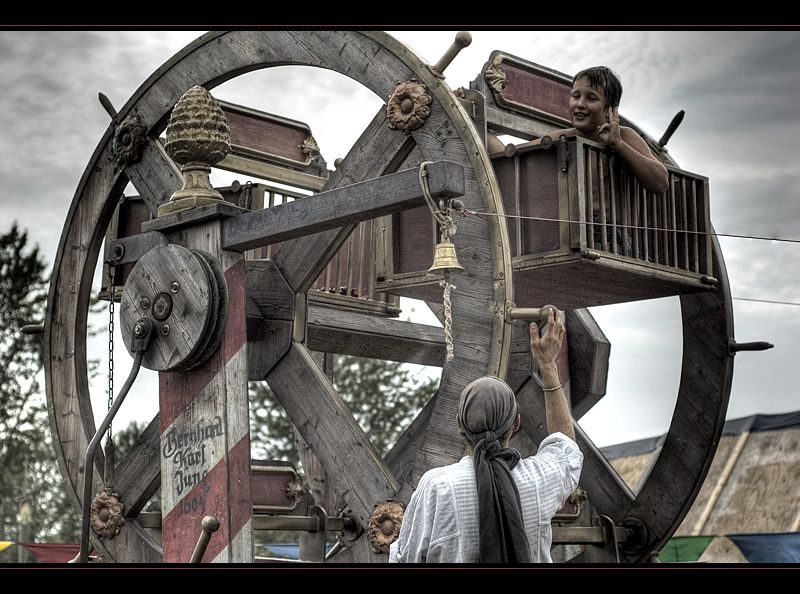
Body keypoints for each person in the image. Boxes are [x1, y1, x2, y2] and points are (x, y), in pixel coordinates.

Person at [389, 307, 583, 563]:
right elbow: (565, 444)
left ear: (460, 424)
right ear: (516, 424)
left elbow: (405, 559)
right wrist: (548, 366)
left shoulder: (436, 487)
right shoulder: (539, 481)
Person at [487, 66, 669, 194]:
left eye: (591, 98)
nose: (580, 104)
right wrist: (471, 119)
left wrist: (618, 145)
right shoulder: (563, 138)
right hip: (569, 237)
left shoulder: (624, 136)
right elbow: (509, 155)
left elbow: (660, 183)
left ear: (610, 110)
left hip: (611, 241)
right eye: (576, 96)